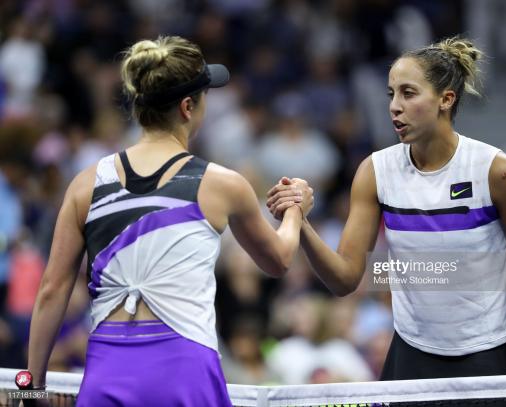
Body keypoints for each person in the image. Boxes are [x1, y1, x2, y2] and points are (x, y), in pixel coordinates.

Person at [24, 36, 313, 406]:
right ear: (188, 106)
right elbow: (279, 260)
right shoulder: (222, 184)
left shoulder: (85, 185)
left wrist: (29, 387)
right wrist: (295, 209)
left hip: (107, 372)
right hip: (184, 373)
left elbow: (52, 290)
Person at [267, 37, 506, 380]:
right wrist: (302, 223)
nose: (394, 106)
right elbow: (344, 280)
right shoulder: (375, 172)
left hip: (489, 359)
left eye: (408, 93)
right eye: (391, 94)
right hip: (411, 359)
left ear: (446, 99)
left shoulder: (497, 172)